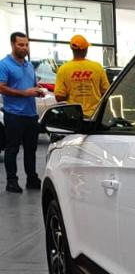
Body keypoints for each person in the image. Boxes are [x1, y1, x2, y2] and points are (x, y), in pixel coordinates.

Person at [0, 32, 45, 193]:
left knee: (31, 149)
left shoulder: (29, 66)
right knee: (12, 149)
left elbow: (31, 86)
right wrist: (24, 93)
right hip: (14, 114)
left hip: (31, 114)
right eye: (21, 45)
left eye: (26, 45)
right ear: (13, 44)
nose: (24, 48)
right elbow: (1, 87)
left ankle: (32, 178)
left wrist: (37, 90)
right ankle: (11, 181)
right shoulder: (4, 64)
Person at [54, 34, 109, 117]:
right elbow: (106, 92)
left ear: (72, 49)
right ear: (86, 49)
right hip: (95, 115)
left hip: (74, 116)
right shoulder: (97, 67)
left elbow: (59, 97)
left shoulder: (63, 69)